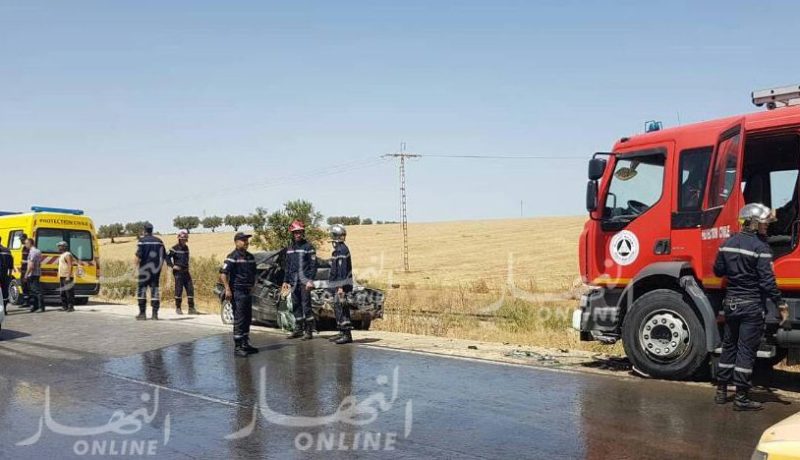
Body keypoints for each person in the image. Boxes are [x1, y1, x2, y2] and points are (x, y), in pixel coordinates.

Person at [713, 203, 788, 411]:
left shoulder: (727, 244)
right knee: (746, 350)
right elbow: (767, 282)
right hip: (751, 306)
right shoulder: (761, 248)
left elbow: (718, 271)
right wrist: (780, 304)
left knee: (729, 346)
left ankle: (721, 391)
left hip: (731, 304)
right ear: (753, 223)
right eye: (764, 223)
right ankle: (741, 398)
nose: (767, 227)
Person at [220, 232, 259, 357]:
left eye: (247, 240)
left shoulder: (250, 257)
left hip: (248, 291)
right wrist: (227, 289)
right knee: (239, 319)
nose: (246, 242)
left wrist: (254, 285)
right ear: (236, 242)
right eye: (243, 240)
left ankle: (245, 344)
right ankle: (237, 347)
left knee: (247, 318)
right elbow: (223, 273)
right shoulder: (232, 256)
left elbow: (255, 273)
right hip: (237, 291)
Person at [282, 220, 317, 340]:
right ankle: (298, 329)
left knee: (306, 306)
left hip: (304, 281)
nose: (297, 234)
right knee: (296, 305)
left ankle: (309, 331)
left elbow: (313, 265)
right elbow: (287, 265)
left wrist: (310, 280)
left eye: (299, 232)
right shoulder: (290, 248)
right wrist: (286, 281)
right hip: (293, 282)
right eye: (295, 232)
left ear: (303, 232)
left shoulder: (308, 247)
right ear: (292, 233)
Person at [327, 224, 354, 345]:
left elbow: (342, 270)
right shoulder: (337, 251)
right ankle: (341, 331)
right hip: (337, 285)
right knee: (338, 307)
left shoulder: (342, 250)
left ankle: (346, 334)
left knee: (342, 308)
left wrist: (340, 287)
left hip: (341, 286)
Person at [134, 223, 166, 320]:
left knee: (142, 291)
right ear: (152, 230)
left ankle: (142, 314)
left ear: (144, 230)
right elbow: (164, 256)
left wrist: (134, 269)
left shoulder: (142, 241)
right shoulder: (159, 241)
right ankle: (155, 314)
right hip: (155, 271)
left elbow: (138, 256)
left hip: (144, 271)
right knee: (155, 291)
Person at [167, 229, 198, 315]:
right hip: (178, 272)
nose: (184, 241)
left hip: (186, 271)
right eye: (183, 239)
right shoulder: (174, 248)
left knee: (190, 289)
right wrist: (173, 266)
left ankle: (191, 308)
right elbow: (167, 257)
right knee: (179, 290)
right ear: (179, 239)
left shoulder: (186, 248)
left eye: (185, 239)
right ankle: (178, 308)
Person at [24, 238, 44, 313]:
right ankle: (36, 307)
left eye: (26, 243)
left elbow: (31, 265)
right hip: (37, 273)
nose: (25, 245)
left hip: (32, 273)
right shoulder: (38, 251)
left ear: (30, 243)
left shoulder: (33, 252)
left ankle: (40, 307)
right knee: (34, 290)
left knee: (35, 291)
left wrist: (26, 275)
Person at [57, 241, 77, 312]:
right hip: (62, 276)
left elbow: (70, 265)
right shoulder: (62, 255)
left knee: (69, 292)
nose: (58, 247)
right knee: (63, 292)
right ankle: (64, 306)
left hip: (67, 276)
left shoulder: (67, 254)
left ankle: (70, 307)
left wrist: (68, 276)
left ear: (64, 247)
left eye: (60, 246)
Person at [0, 237, 13, 314]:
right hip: (5, 274)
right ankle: (4, 309)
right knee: (5, 292)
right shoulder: (7, 250)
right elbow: (11, 264)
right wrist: (10, 275)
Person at [19, 233, 30, 309]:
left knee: (28, 286)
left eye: (21, 239)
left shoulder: (29, 248)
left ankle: (29, 302)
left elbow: (32, 260)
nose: (20, 241)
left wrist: (24, 262)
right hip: (23, 270)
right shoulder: (23, 248)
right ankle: (26, 301)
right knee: (24, 286)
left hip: (27, 270)